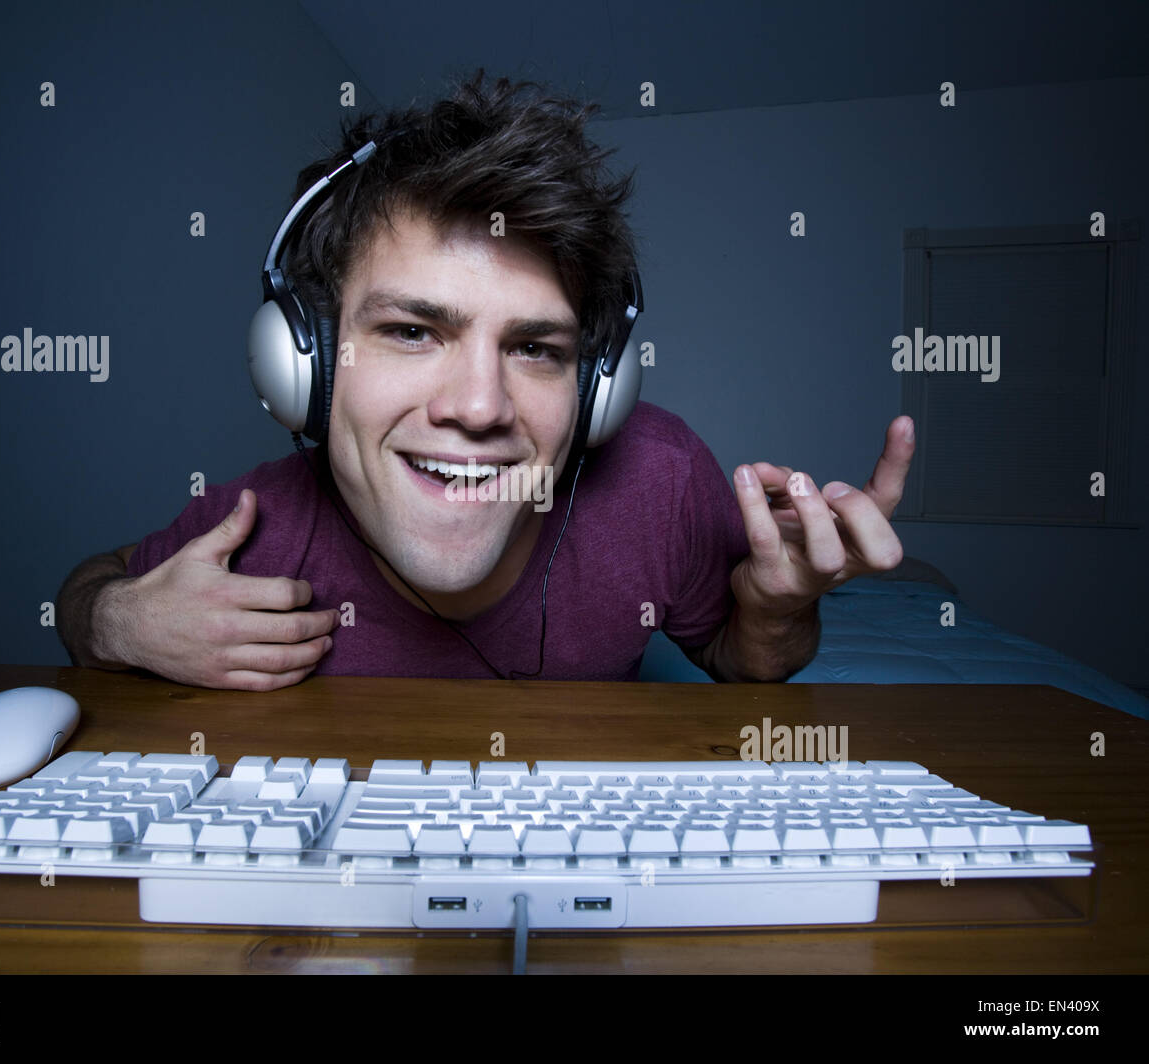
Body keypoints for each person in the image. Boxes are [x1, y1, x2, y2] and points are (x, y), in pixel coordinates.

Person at [56, 73, 912, 690]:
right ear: (301, 366)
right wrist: (122, 621)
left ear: (600, 386)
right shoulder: (258, 526)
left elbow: (743, 664)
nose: (477, 408)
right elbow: (91, 585)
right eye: (412, 331)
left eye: (536, 349)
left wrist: (774, 611)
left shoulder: (662, 479)